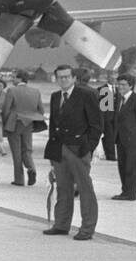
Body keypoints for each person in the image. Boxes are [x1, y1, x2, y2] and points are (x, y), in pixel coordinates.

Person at [43, 65, 101, 240]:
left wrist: (88, 147)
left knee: (84, 189)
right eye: (60, 77)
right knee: (63, 188)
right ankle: (61, 224)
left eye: (67, 77)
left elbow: (96, 124)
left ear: (74, 78)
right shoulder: (55, 97)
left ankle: (87, 228)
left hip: (78, 149)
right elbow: (54, 125)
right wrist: (53, 152)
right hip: (59, 148)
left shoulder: (86, 95)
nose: (63, 80)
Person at [1, 70, 43, 186]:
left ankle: (19, 179)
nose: (12, 80)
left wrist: (5, 123)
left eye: (14, 78)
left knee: (16, 152)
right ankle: (31, 168)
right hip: (28, 123)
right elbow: (41, 110)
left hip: (14, 123)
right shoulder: (36, 91)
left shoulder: (12, 91)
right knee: (27, 149)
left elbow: (6, 109)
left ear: (20, 79)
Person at [97, 75, 117, 162]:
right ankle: (111, 156)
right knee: (109, 137)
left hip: (116, 117)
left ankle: (110, 154)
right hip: (107, 117)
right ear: (108, 79)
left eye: (115, 78)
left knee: (111, 137)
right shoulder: (102, 89)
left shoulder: (118, 88)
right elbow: (101, 105)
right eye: (112, 78)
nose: (113, 79)